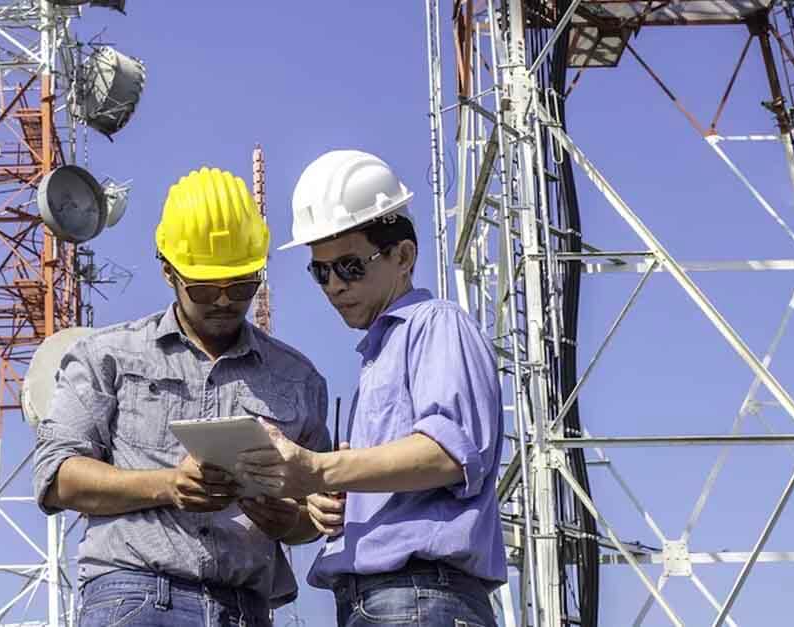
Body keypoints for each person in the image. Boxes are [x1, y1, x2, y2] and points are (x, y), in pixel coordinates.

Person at [33, 166, 331, 627]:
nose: (225, 301)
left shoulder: (299, 379)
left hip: (245, 609)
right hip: (134, 595)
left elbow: (316, 511)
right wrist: (169, 485)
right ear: (168, 271)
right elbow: (58, 478)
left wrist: (287, 522)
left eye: (242, 286)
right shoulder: (107, 355)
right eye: (205, 288)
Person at [236, 150, 505, 627]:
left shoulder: (436, 324)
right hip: (384, 601)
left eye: (351, 267)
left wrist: (320, 470)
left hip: (420, 596)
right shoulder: (382, 353)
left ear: (403, 256)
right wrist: (333, 502)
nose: (334, 285)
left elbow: (448, 454)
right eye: (321, 272)